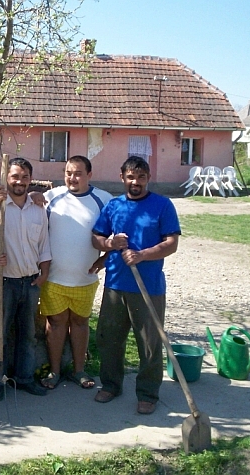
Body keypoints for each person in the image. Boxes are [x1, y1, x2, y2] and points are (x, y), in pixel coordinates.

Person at [91, 156, 181, 414]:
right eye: (131, 177)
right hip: (116, 284)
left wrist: (142, 254)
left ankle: (148, 393)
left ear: (148, 178)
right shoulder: (114, 206)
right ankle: (111, 385)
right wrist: (109, 244)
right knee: (109, 339)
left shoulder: (162, 205)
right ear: (122, 178)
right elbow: (96, 237)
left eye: (141, 177)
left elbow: (171, 243)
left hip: (148, 287)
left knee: (150, 343)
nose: (135, 182)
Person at [0, 157, 52, 399]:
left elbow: (44, 244)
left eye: (24, 177)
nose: (19, 181)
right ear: (6, 178)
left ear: (30, 180)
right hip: (4, 281)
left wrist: (45, 272)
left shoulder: (37, 208)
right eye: (14, 176)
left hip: (31, 282)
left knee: (28, 334)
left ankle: (24, 378)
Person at [38, 155, 112, 390]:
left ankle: (79, 370)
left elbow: (121, 236)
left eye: (78, 173)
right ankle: (55, 371)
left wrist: (104, 261)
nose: (72, 177)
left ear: (89, 175)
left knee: (80, 323)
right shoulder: (52, 198)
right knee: (56, 324)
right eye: (68, 172)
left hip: (85, 278)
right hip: (54, 278)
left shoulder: (104, 200)